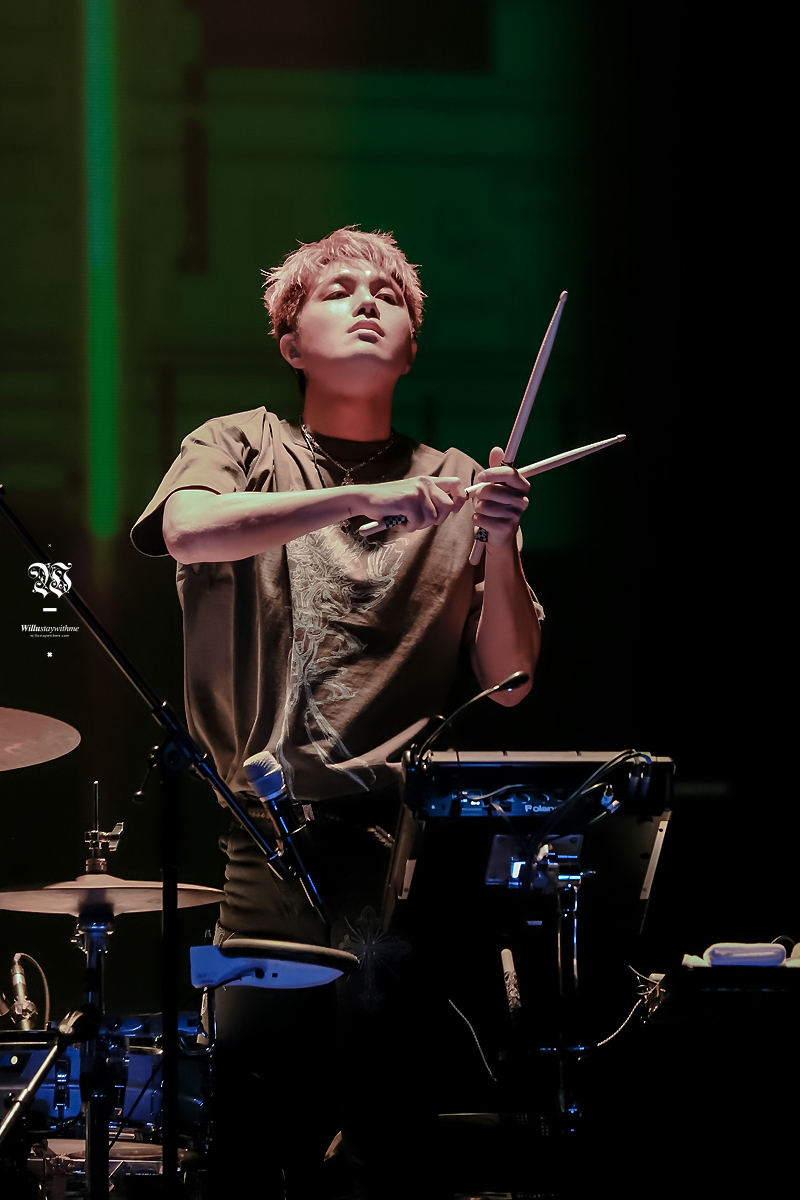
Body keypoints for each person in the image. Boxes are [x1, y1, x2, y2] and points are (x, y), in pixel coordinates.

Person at [132, 227, 542, 1198]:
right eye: (339, 290)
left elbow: (512, 680)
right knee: (253, 1132)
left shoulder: (454, 478)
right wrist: (366, 499)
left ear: (409, 349)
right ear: (290, 342)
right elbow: (188, 532)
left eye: (387, 296)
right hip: (267, 837)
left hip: (399, 848)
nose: (366, 302)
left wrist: (497, 543)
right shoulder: (241, 442)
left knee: (386, 1139)